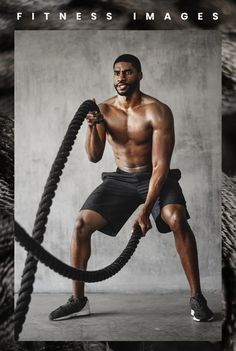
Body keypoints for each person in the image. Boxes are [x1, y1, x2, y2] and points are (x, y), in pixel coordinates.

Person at [49, 54, 214, 322]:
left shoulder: (157, 110)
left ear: (139, 75)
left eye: (127, 72)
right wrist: (92, 128)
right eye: (117, 73)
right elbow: (94, 156)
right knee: (81, 224)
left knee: (177, 218)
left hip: (156, 176)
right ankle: (78, 300)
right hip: (121, 180)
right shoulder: (103, 109)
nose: (121, 78)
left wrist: (145, 210)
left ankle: (197, 297)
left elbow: (161, 165)